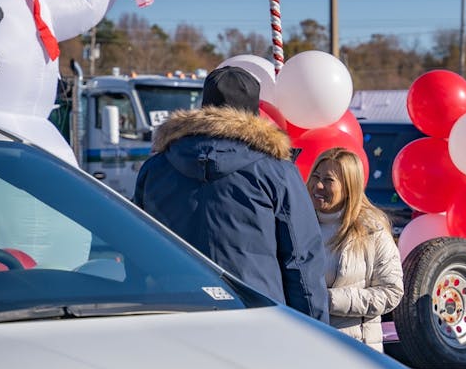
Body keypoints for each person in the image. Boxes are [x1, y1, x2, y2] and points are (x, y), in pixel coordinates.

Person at [133, 65, 329, 322]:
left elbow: (136, 248)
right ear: (253, 113)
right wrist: (315, 331)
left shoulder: (155, 169)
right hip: (255, 316)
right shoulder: (276, 172)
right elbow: (301, 262)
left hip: (173, 313)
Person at [307, 148, 404, 352]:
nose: (317, 185)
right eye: (315, 176)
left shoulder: (371, 230)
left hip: (355, 353)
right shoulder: (297, 224)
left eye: (328, 180)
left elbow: (391, 292)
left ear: (349, 187)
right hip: (308, 347)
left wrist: (329, 300)